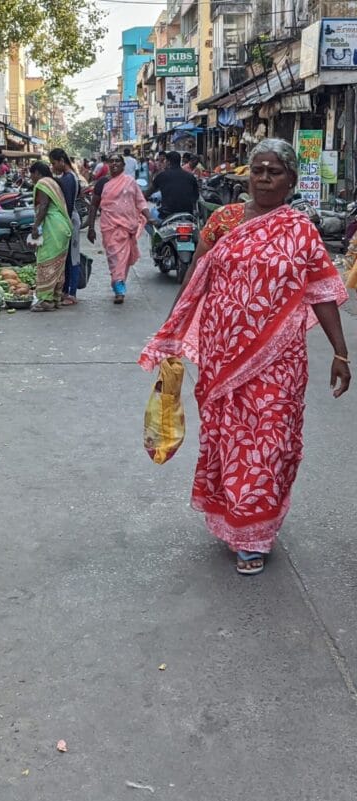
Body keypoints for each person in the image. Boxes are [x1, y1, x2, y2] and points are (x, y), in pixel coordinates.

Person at [140, 139, 350, 576]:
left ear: (291, 179)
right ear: (247, 175)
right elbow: (197, 278)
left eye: (274, 171)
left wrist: (341, 352)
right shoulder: (223, 221)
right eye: (258, 169)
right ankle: (234, 516)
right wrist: (172, 332)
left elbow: (322, 292)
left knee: (270, 442)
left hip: (280, 359)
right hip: (223, 356)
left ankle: (255, 534)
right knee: (229, 438)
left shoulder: (300, 229)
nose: (264, 177)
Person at [86, 153, 149, 304]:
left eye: (117, 161)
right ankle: (118, 284)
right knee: (115, 258)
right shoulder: (102, 183)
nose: (114, 164)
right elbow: (94, 205)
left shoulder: (130, 182)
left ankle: (119, 287)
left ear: (123, 165)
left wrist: (150, 217)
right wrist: (90, 227)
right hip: (109, 227)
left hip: (127, 227)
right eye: (111, 161)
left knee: (123, 259)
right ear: (107, 164)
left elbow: (140, 201)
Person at [27, 161, 73, 312]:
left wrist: (35, 226)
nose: (31, 178)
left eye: (31, 174)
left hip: (53, 226)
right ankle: (55, 297)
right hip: (62, 227)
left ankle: (46, 299)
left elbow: (44, 205)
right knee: (58, 263)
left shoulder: (43, 183)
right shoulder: (53, 182)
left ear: (37, 173)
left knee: (46, 260)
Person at [49, 147, 81, 305]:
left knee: (73, 258)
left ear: (62, 161)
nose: (53, 166)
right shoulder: (68, 177)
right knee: (67, 257)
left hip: (70, 220)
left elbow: (67, 205)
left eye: (54, 163)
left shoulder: (69, 178)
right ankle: (66, 290)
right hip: (69, 219)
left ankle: (71, 293)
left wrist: (64, 224)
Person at [147, 150, 199, 218]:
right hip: (188, 214)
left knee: (149, 221)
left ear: (168, 162)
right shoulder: (191, 177)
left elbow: (149, 192)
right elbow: (196, 196)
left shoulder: (162, 176)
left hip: (167, 213)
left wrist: (143, 197)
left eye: (165, 160)